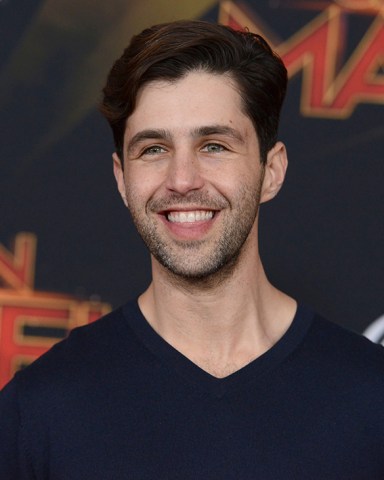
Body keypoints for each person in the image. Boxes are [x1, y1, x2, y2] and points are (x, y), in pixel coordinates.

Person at [1, 20, 384, 480]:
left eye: (214, 145)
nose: (182, 180)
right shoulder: (39, 410)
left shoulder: (371, 397)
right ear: (122, 179)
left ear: (272, 170)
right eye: (154, 149)